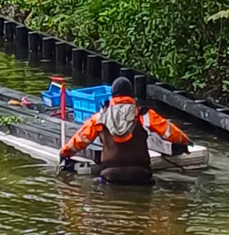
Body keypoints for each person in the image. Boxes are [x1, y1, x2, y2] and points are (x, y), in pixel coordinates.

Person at [58, 77, 192, 185]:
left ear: (113, 95)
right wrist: (185, 142)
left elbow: (80, 139)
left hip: (110, 175)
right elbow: (169, 131)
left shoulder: (100, 117)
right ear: (131, 94)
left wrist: (65, 152)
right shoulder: (144, 115)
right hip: (141, 174)